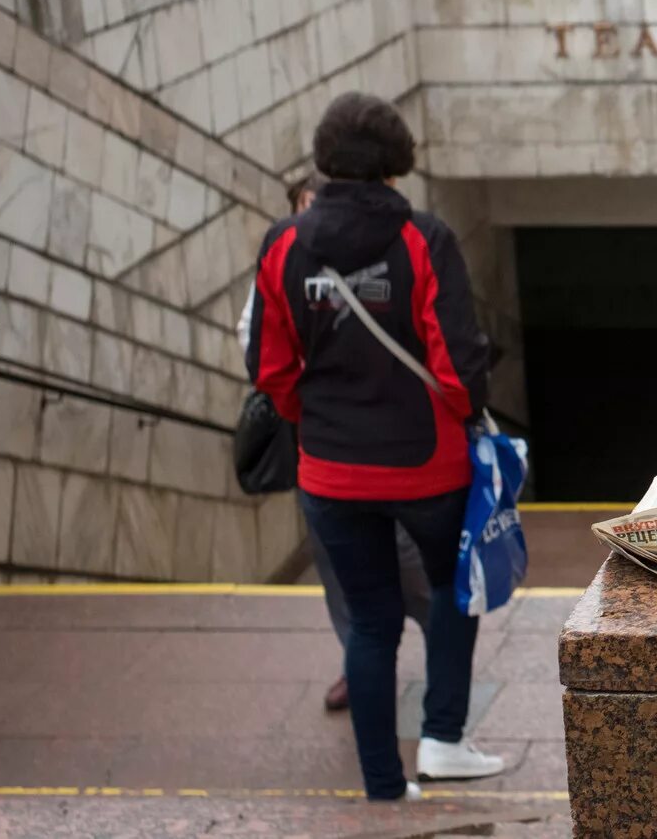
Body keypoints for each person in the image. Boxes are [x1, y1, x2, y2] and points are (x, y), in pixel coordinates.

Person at [246, 93, 503, 802]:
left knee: (370, 621)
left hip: (329, 470)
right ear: (397, 161)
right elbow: (458, 365)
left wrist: (317, 419)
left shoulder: (283, 243)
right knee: (453, 590)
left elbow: (269, 368)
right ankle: (444, 741)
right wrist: (463, 413)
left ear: (325, 161)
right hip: (428, 464)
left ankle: (384, 783)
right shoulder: (424, 238)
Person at [237, 174, 435, 716]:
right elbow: (258, 350)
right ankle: (363, 663)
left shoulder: (395, 251)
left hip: (388, 444)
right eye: (305, 207)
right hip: (323, 448)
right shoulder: (282, 259)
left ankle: (435, 642)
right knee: (337, 563)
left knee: (406, 556)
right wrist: (311, 412)